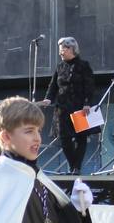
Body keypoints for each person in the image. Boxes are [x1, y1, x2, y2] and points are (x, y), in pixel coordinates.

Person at [39, 37, 96, 175]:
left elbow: (89, 86)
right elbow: (53, 86)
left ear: (71, 49)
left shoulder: (83, 65)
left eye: (63, 49)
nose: (61, 53)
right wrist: (48, 99)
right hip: (63, 108)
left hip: (80, 106)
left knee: (81, 137)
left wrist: (87, 103)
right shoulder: (60, 67)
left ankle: (76, 168)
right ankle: (73, 166)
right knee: (64, 138)